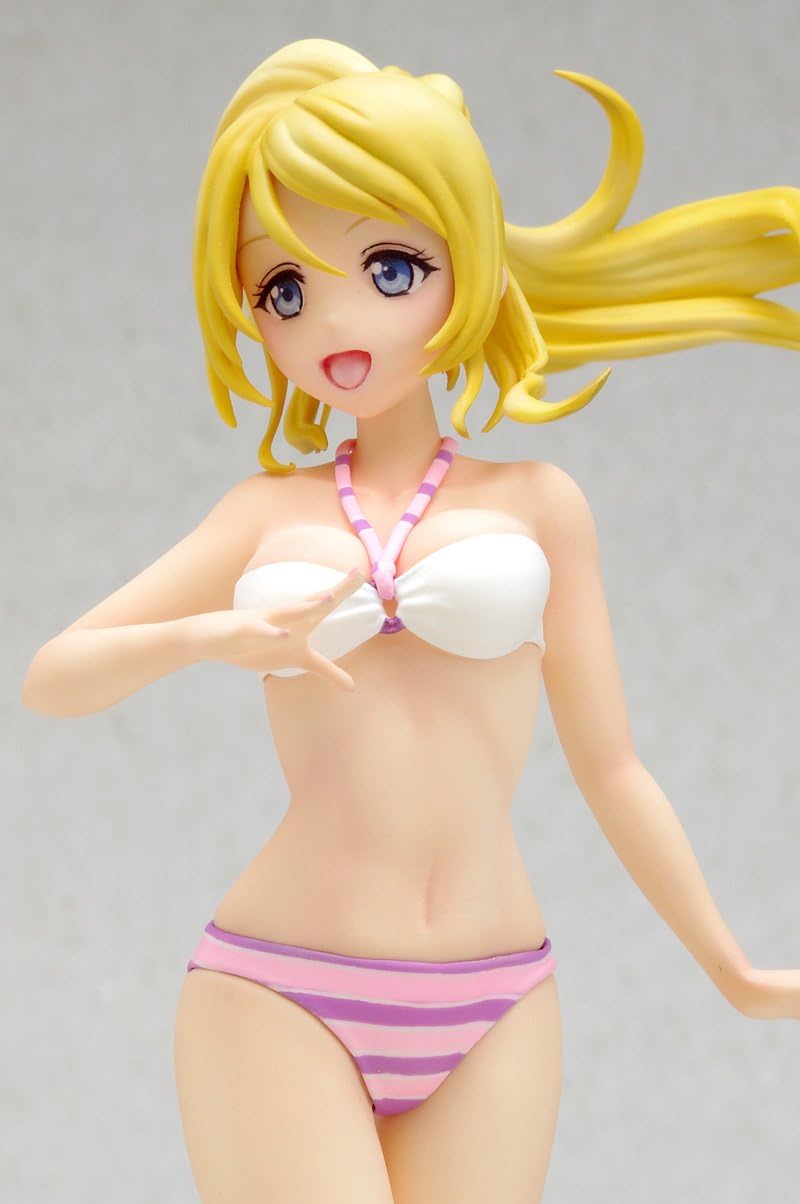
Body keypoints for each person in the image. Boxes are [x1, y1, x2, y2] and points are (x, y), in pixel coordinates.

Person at [21, 36, 800, 1204]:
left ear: (465, 262)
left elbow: (613, 766)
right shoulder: (263, 512)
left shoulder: (540, 504)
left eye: (388, 267)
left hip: (497, 995)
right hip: (278, 988)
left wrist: (729, 965)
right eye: (283, 291)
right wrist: (213, 638)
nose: (332, 320)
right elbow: (53, 673)